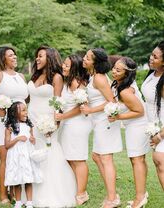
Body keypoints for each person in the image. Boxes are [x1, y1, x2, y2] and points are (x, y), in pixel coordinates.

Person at [28, 46, 76, 207]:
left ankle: (50, 193)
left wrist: (53, 125)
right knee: (32, 152)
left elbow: (58, 103)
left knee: (49, 152)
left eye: (40, 56)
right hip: (31, 120)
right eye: (37, 56)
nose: (37, 59)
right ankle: (29, 191)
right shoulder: (35, 75)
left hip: (47, 122)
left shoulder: (56, 77)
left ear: (50, 58)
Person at [0, 46, 28, 204]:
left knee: (17, 155)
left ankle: (14, 191)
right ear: (2, 58)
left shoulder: (21, 76)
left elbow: (24, 98)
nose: (15, 57)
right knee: (6, 156)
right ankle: (3, 194)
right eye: (11, 55)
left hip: (18, 122)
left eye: (15, 54)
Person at [80, 48, 122, 208]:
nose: (84, 59)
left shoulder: (99, 78)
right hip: (98, 121)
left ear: (95, 63)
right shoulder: (93, 76)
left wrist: (90, 110)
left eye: (88, 58)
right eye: (85, 56)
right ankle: (113, 194)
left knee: (105, 158)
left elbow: (111, 100)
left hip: (105, 121)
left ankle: (112, 199)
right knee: (97, 157)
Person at [109, 57, 150, 208]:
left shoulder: (126, 91)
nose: (113, 71)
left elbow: (139, 111)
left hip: (138, 125)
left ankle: (139, 198)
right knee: (139, 159)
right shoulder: (119, 84)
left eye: (118, 70)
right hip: (133, 124)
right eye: (114, 68)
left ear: (127, 74)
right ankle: (142, 193)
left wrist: (118, 117)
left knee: (136, 160)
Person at [55, 54, 91, 205]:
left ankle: (82, 193)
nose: (63, 66)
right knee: (70, 157)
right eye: (63, 64)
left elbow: (80, 108)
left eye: (67, 65)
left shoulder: (77, 83)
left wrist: (62, 117)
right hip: (68, 123)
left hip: (77, 124)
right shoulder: (66, 82)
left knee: (78, 159)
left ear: (74, 68)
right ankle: (76, 188)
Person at [4, 101, 42, 208]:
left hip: (27, 155)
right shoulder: (10, 127)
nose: (26, 112)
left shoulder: (29, 126)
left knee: (28, 179)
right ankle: (18, 202)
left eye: (26, 110)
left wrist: (32, 139)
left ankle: (29, 202)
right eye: (23, 110)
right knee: (17, 180)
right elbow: (6, 145)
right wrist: (17, 138)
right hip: (16, 156)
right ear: (15, 113)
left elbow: (33, 141)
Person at [141, 41, 164, 189]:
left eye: (155, 57)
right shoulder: (152, 74)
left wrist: (160, 135)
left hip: (162, 128)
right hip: (154, 126)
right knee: (159, 164)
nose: (151, 58)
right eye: (151, 54)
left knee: (160, 161)